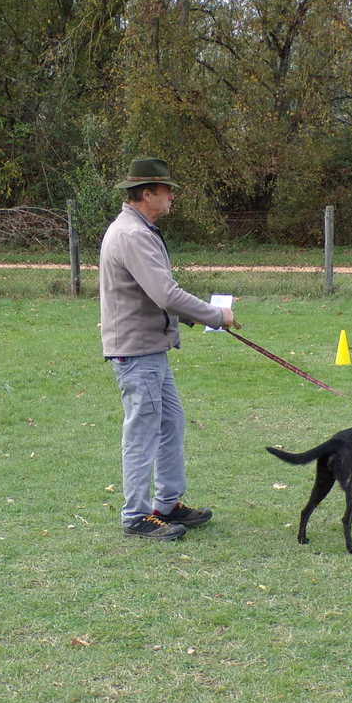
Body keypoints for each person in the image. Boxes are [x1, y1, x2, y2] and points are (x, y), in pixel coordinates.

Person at [99, 157, 237, 541]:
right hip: (137, 352)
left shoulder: (139, 230)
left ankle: (168, 504)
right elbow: (166, 294)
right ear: (147, 194)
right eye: (167, 190)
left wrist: (197, 317)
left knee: (171, 424)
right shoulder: (133, 234)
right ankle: (136, 517)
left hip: (151, 349)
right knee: (142, 433)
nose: (172, 196)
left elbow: (154, 295)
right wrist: (216, 315)